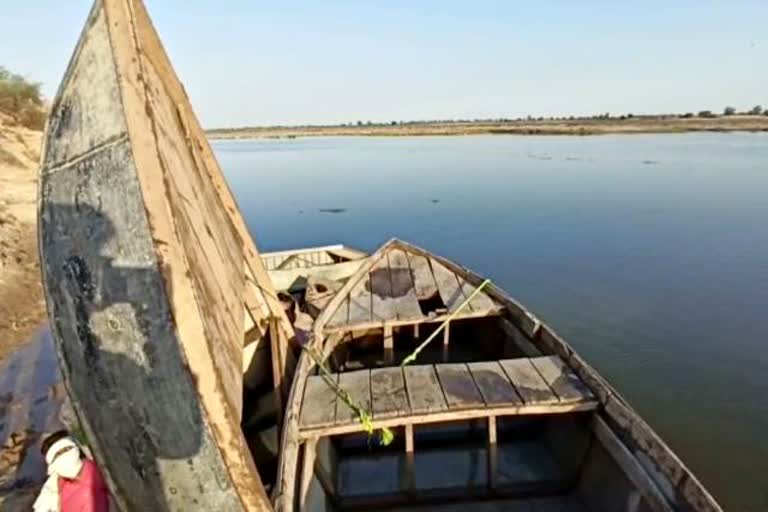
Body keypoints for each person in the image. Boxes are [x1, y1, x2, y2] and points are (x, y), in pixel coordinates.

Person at [33, 430, 110, 512]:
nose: (63, 457)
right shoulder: (54, 487)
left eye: (66, 449)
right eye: (57, 455)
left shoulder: (99, 474)